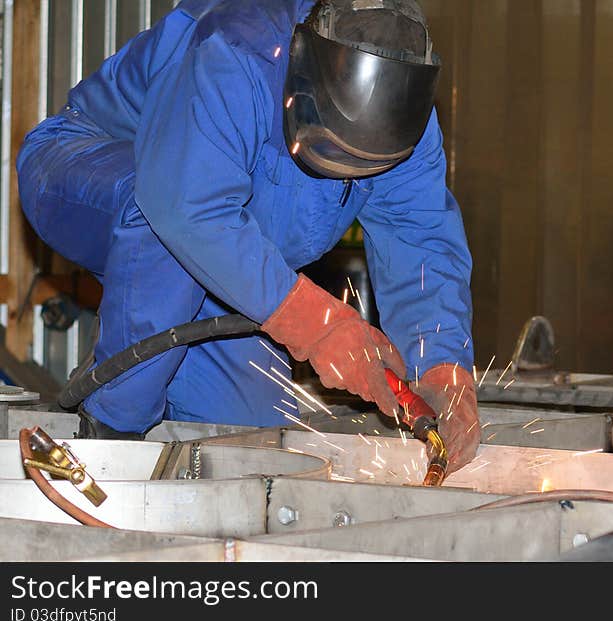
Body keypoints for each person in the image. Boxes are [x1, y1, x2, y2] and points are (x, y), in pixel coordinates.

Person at [16, 0, 479, 474]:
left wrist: (442, 365)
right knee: (166, 226)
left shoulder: (407, 113)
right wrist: (316, 324)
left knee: (251, 447)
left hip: (220, 246)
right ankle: (110, 439)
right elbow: (185, 206)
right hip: (86, 170)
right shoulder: (240, 51)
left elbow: (420, 239)